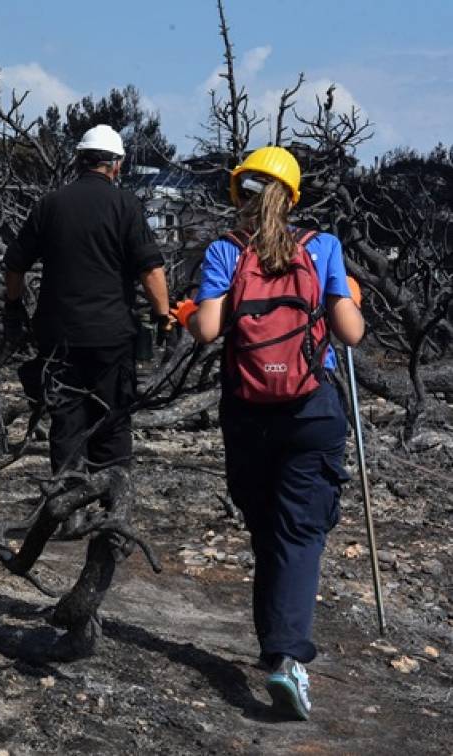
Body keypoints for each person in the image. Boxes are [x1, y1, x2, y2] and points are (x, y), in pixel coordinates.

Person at [177, 145, 365, 721]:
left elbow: (207, 330)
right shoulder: (323, 247)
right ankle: (285, 657)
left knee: (266, 523)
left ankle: (273, 645)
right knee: (300, 532)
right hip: (313, 411)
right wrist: (351, 298)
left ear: (241, 194)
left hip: (248, 410)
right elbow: (350, 334)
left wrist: (187, 312)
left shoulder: (224, 251)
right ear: (294, 195)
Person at [3, 124, 172, 475]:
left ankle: (66, 507)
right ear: (116, 164)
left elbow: (15, 264)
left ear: (80, 161)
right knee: (112, 421)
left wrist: (13, 307)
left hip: (58, 334)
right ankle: (111, 512)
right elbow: (151, 270)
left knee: (66, 422)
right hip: (110, 337)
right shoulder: (126, 205)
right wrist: (162, 316)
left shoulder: (50, 204)